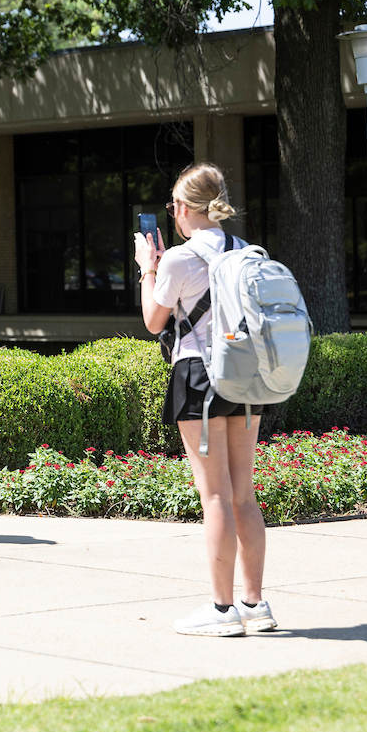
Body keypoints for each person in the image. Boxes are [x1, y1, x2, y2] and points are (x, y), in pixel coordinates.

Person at [134, 163, 276, 637]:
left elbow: (154, 321)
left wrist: (146, 269)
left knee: (213, 493)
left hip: (199, 375)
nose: (170, 212)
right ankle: (254, 603)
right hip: (247, 376)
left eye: (172, 204)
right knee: (242, 493)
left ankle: (220, 610)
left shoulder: (177, 258)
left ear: (185, 208)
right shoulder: (247, 251)